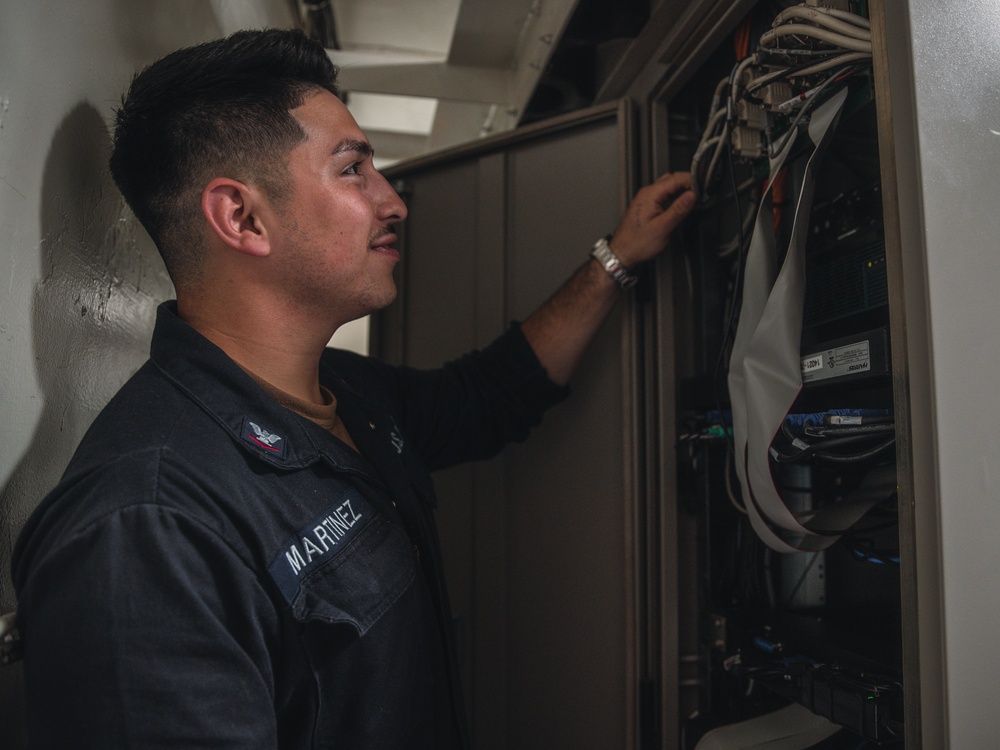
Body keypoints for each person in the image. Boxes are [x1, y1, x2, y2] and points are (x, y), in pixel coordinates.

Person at [12, 28, 694, 749]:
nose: (393, 202)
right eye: (354, 170)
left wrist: (615, 258)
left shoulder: (349, 394)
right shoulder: (146, 526)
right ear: (242, 217)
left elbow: (492, 396)